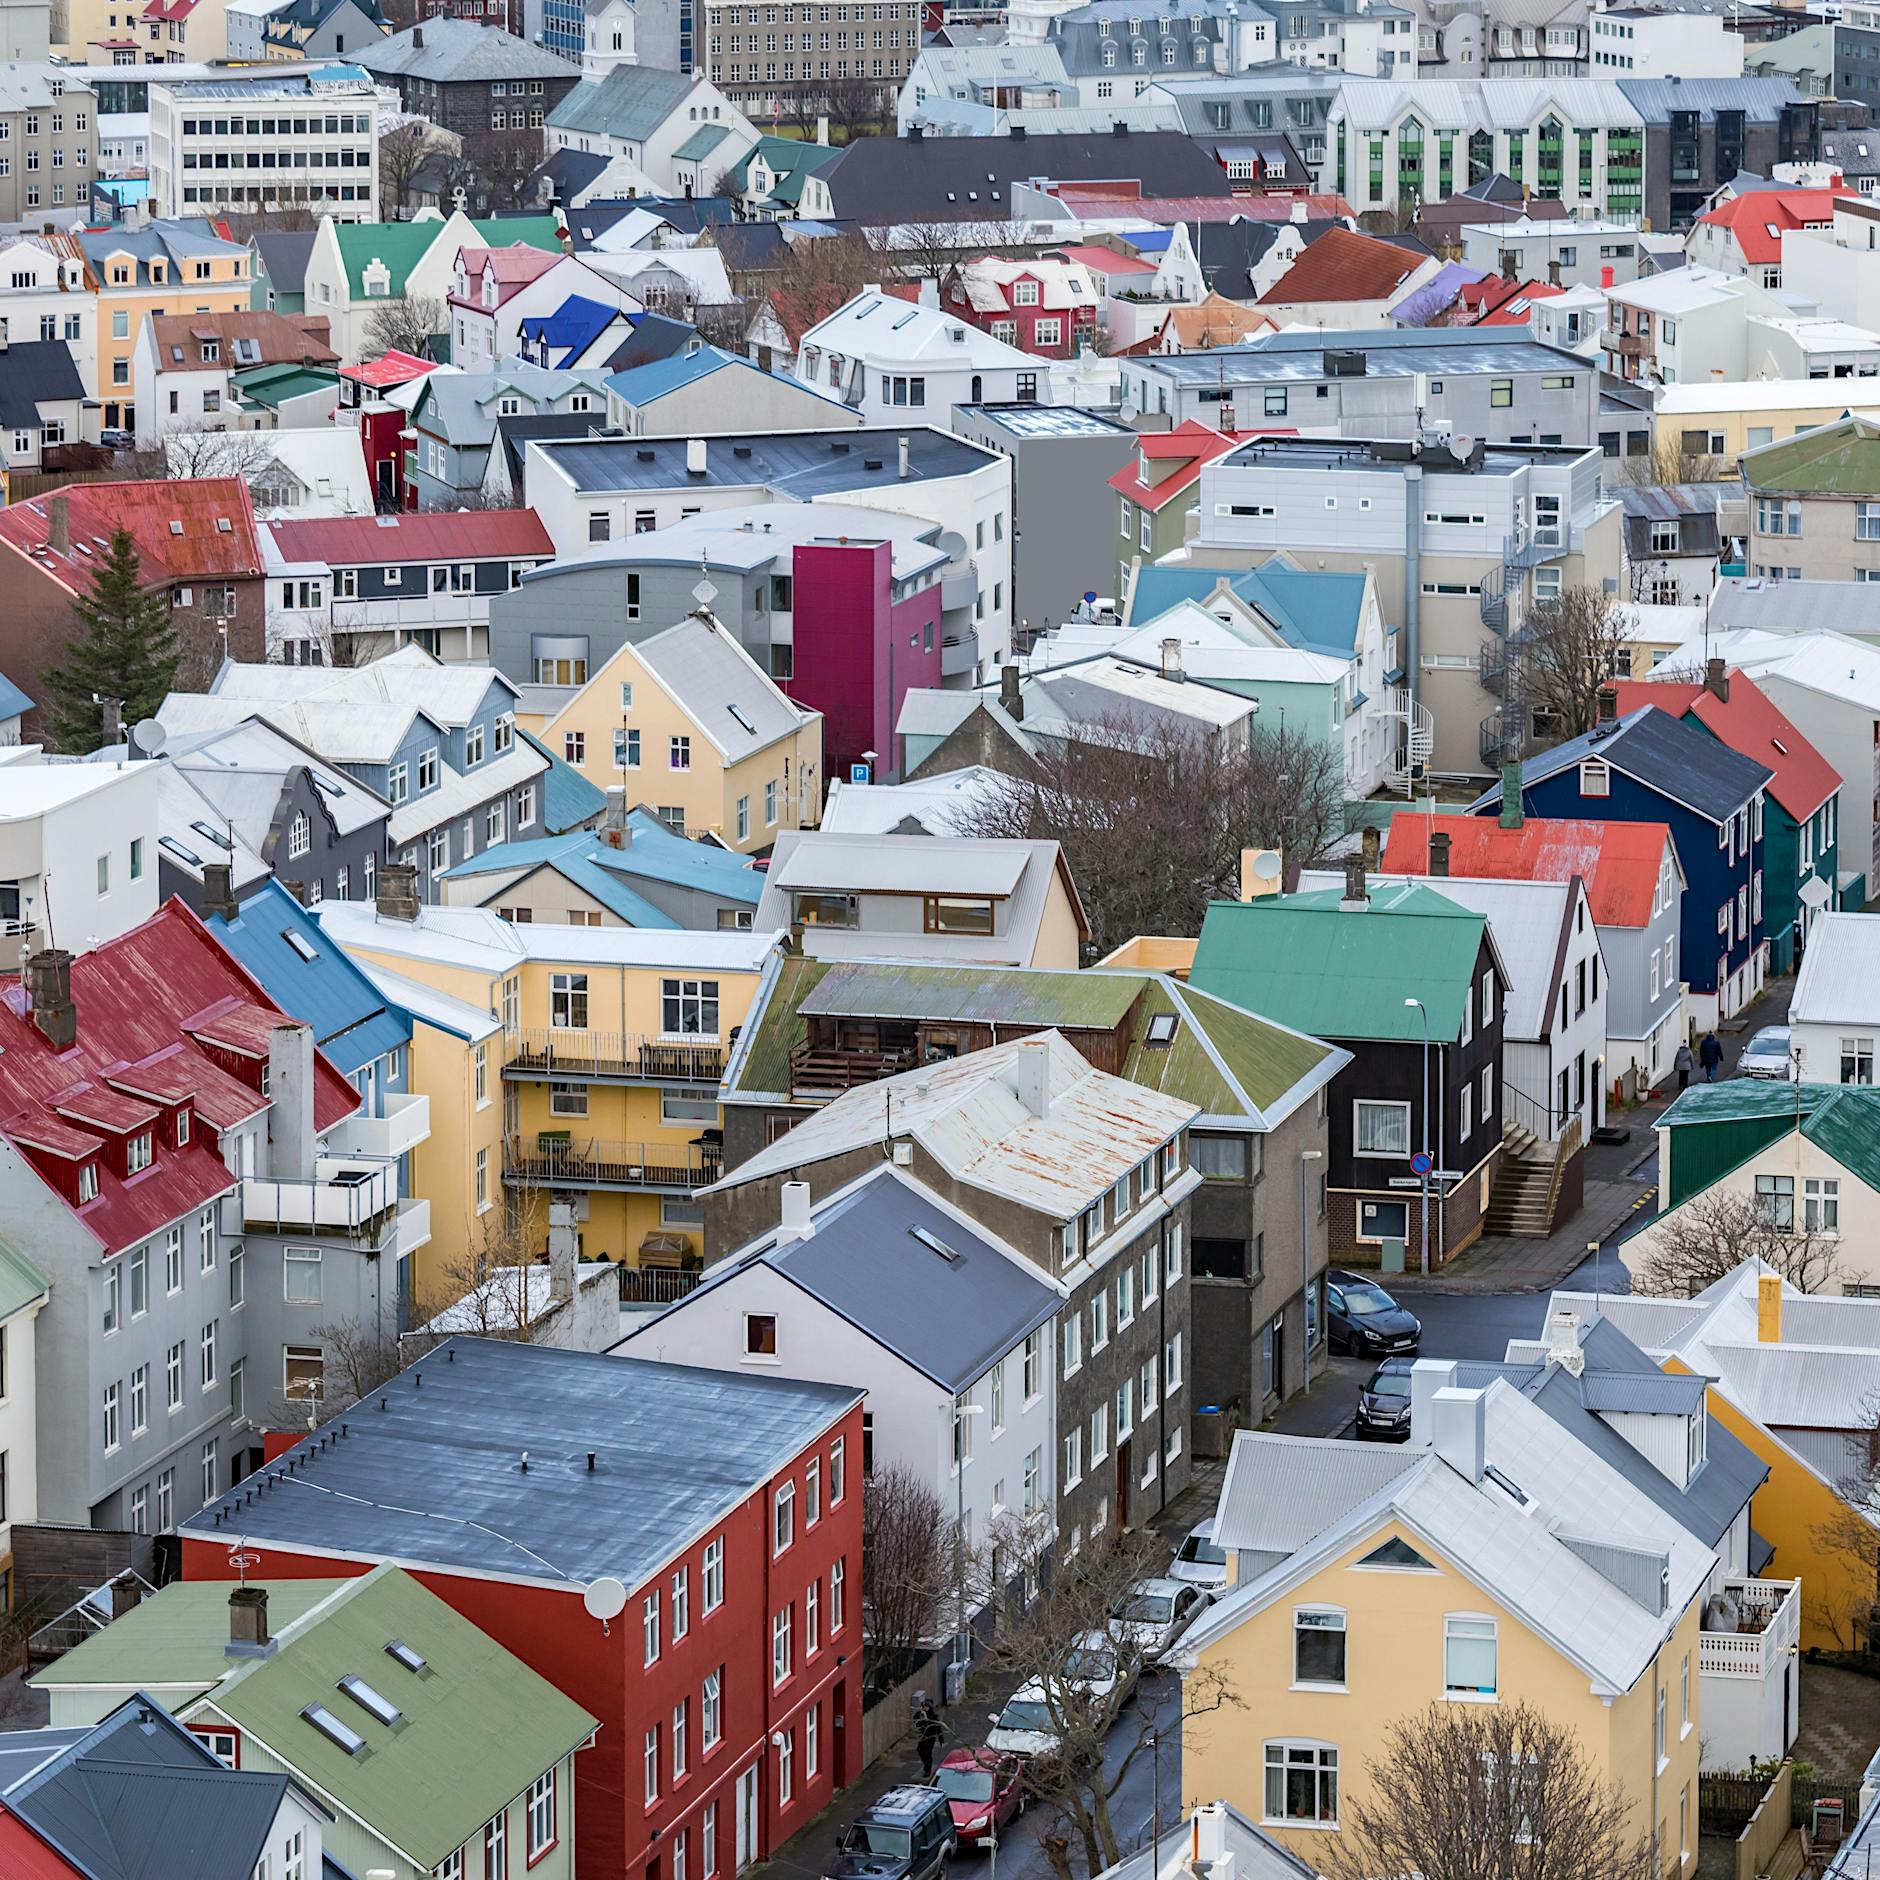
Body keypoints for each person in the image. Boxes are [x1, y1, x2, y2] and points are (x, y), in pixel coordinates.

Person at [915, 1693, 944, 1779]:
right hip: (923, 1736)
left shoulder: (933, 1716)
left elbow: (938, 1727)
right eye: (923, 1707)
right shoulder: (920, 1714)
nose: (924, 1708)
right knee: (920, 1750)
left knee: (928, 1753)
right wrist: (919, 1717)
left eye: (926, 1707)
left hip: (930, 1737)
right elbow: (916, 1723)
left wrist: (941, 1739)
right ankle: (925, 1764)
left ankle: (927, 1769)